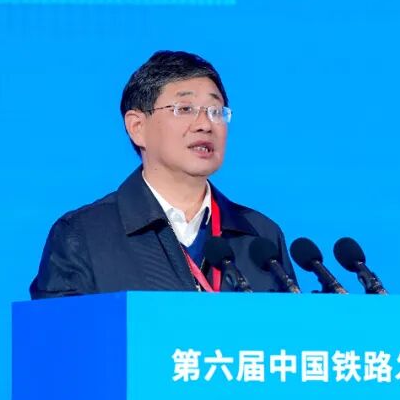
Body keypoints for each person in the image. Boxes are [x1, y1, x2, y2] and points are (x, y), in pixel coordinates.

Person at [29, 50, 295, 298]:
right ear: (137, 127)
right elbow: (58, 332)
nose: (205, 124)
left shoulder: (260, 236)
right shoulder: (84, 235)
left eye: (216, 111)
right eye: (185, 109)